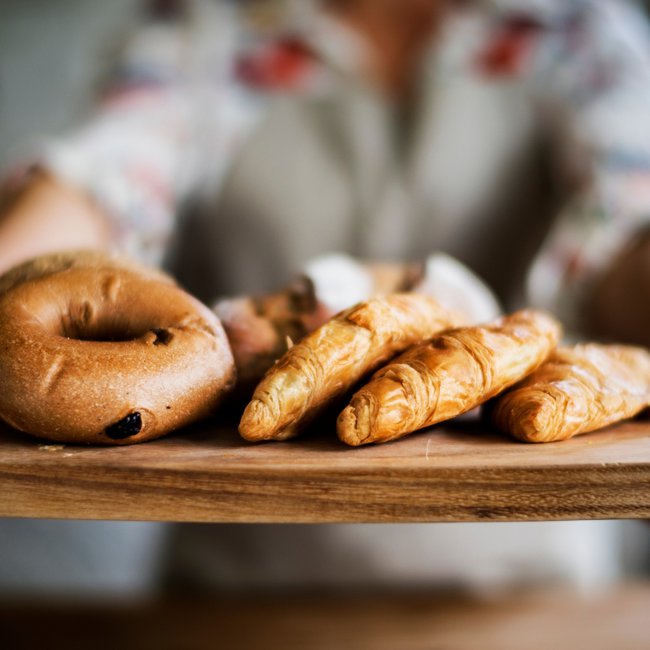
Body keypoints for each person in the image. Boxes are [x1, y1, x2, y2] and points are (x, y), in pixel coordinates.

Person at [0, 0, 648, 595]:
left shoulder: (574, 26)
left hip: (530, 586)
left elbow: (626, 227)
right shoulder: (211, 26)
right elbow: (108, 180)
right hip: (243, 593)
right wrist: (21, 265)